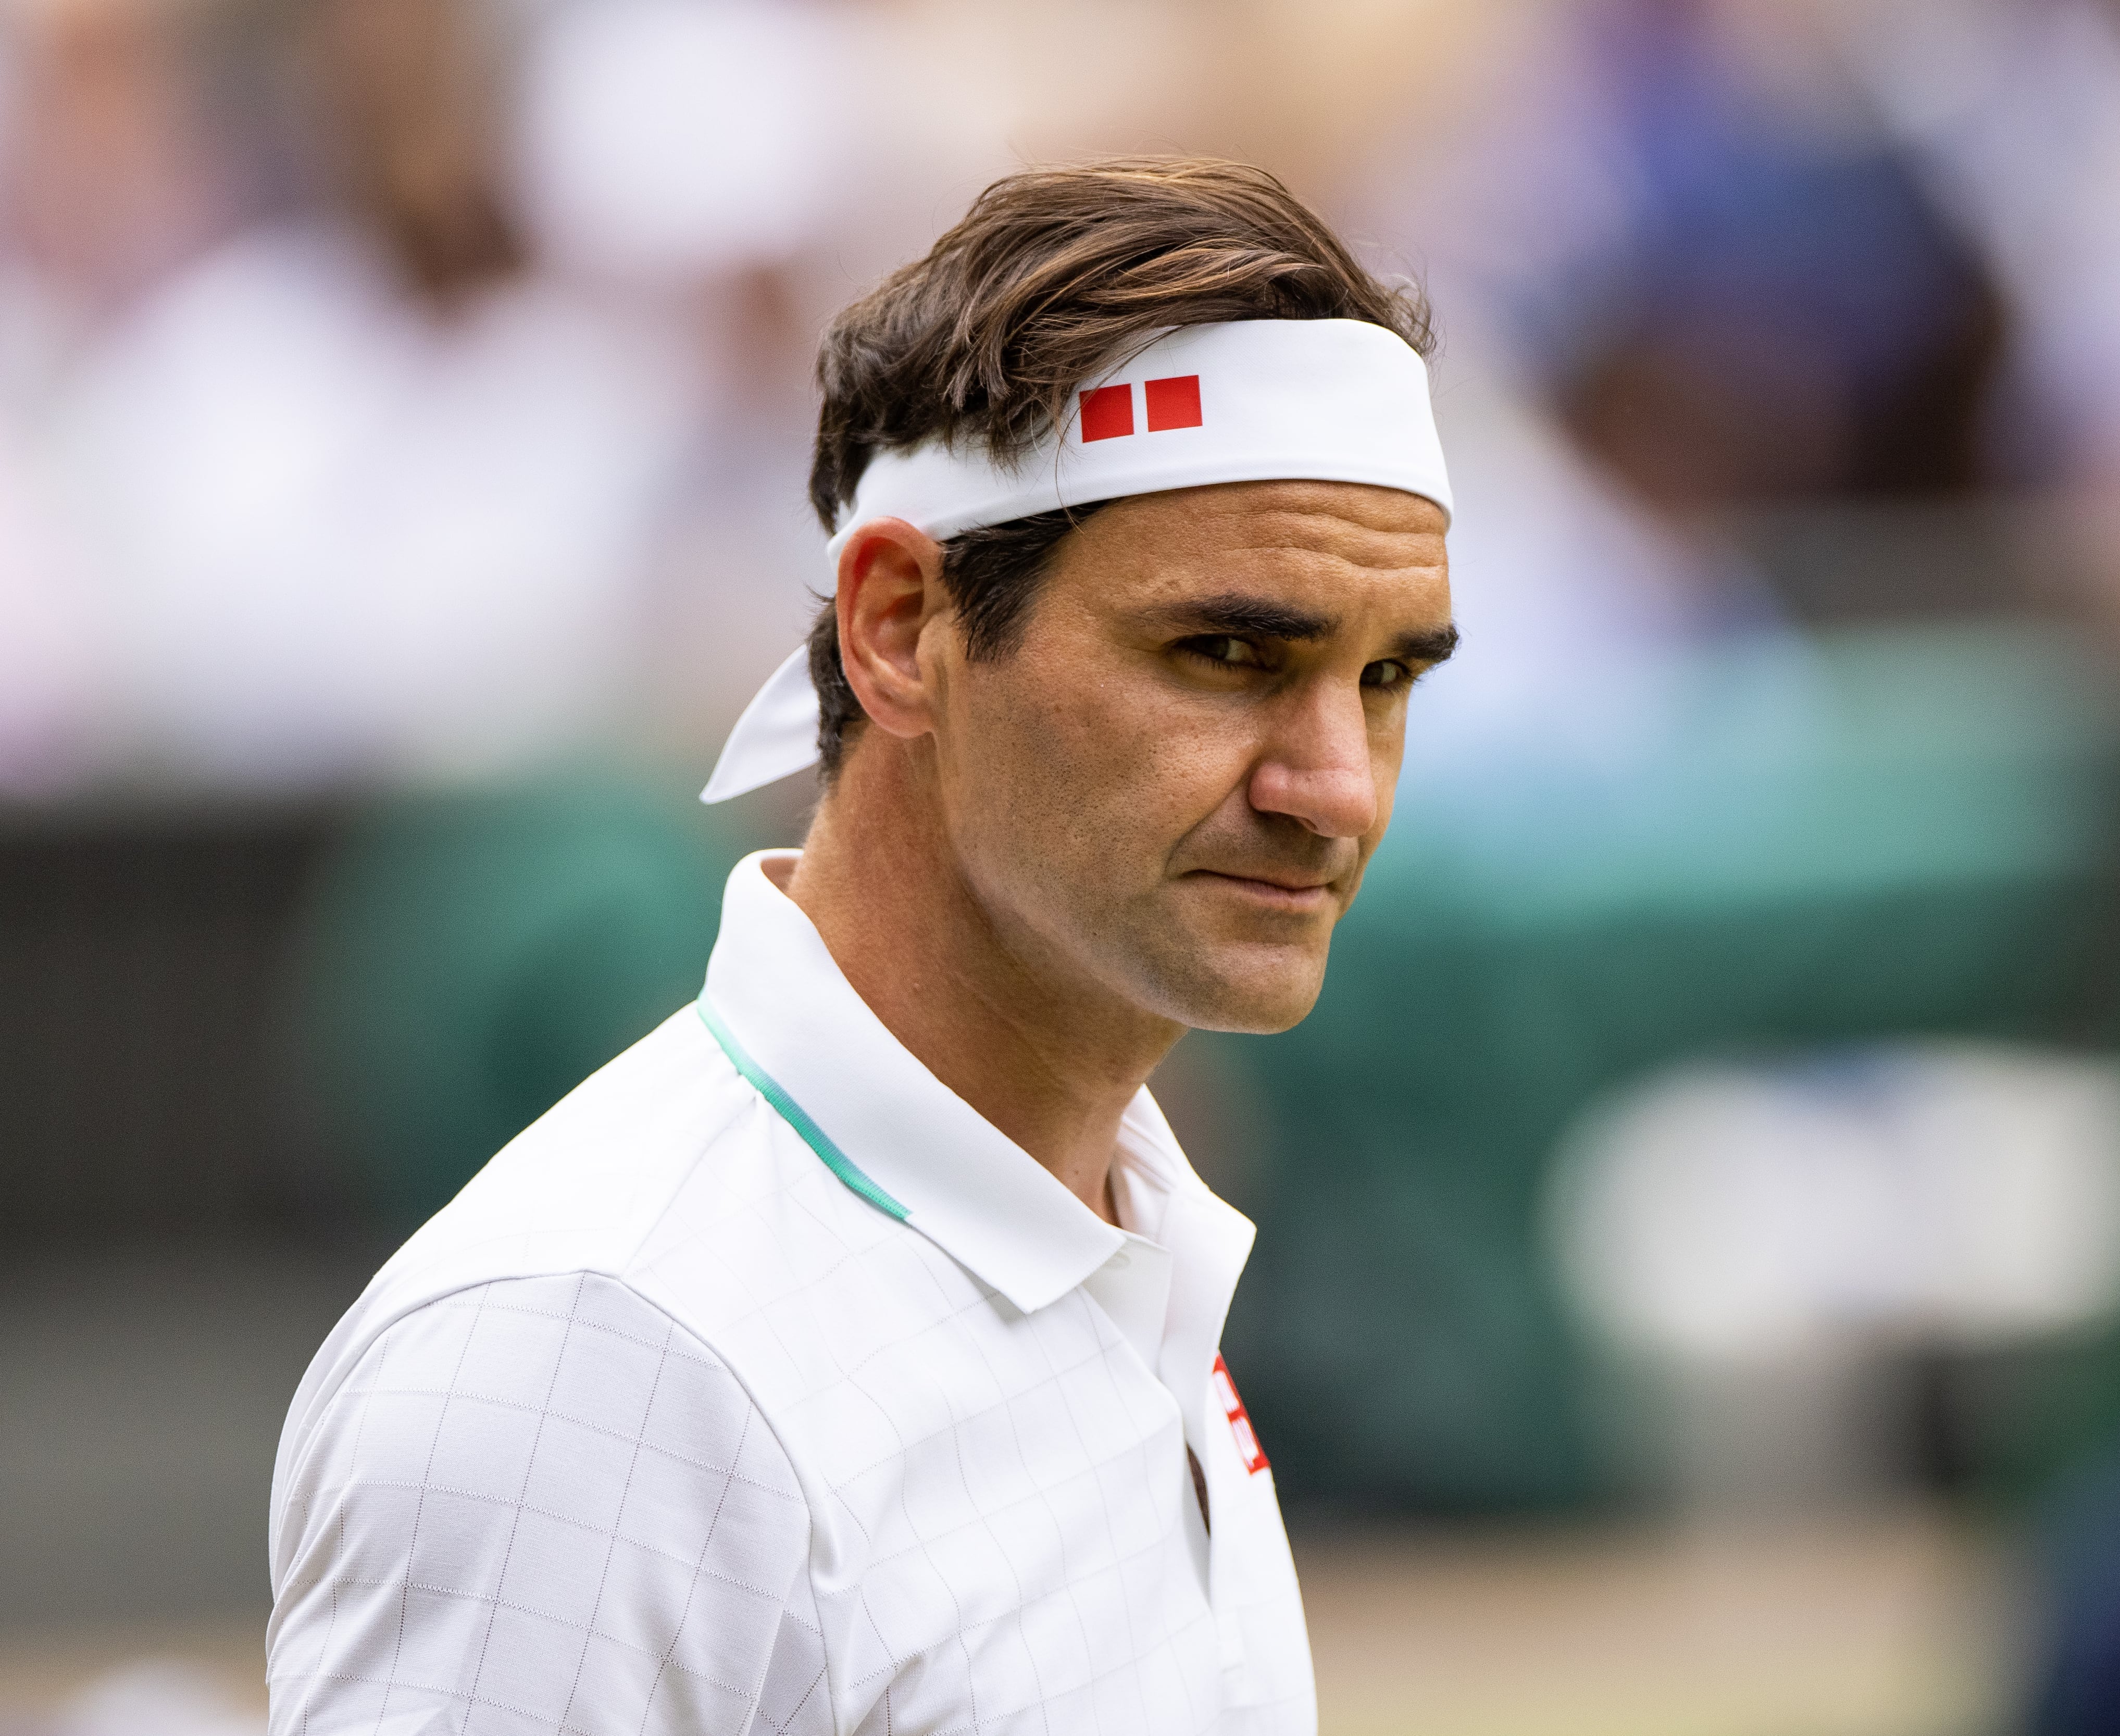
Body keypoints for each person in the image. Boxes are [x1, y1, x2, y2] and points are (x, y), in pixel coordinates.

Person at [264, 157, 1457, 1736]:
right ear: (900, 629)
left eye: (1387, 680)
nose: (1335, 787)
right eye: (1227, 652)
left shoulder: (1127, 1232)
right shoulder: (587, 1354)